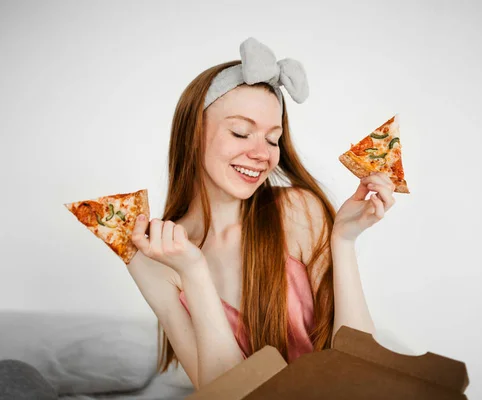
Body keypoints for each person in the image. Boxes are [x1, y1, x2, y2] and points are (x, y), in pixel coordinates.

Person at [126, 37, 397, 391]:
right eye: (241, 132)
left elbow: (359, 363)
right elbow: (224, 392)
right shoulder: (152, 257)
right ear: (192, 134)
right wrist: (194, 272)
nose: (262, 154)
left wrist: (343, 241)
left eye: (273, 139)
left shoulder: (298, 210)